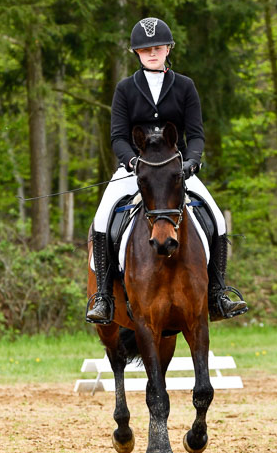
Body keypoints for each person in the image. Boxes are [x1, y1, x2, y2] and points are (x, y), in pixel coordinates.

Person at [86, 16, 248, 324]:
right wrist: (133, 162)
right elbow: (118, 137)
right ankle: (104, 298)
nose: (152, 53)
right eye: (145, 49)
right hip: (135, 171)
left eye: (158, 47)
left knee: (216, 218)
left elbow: (196, 134)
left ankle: (218, 293)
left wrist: (192, 161)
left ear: (168, 49)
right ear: (136, 52)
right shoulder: (125, 89)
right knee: (102, 218)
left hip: (177, 172)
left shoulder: (185, 86)